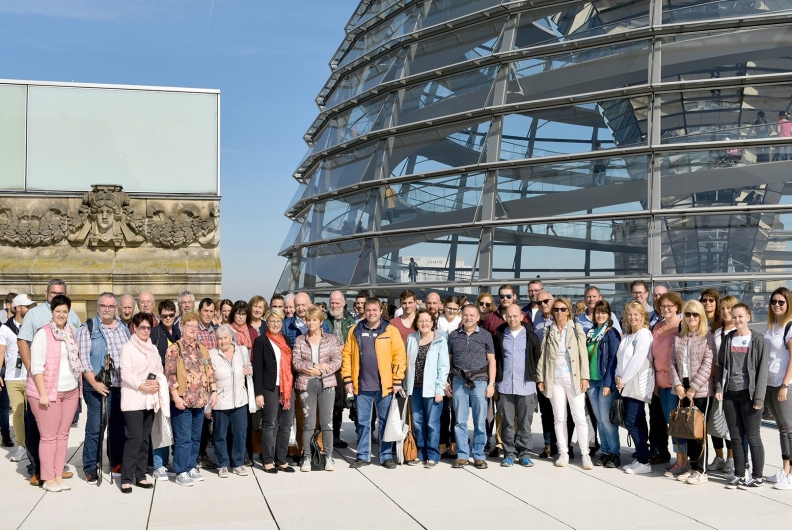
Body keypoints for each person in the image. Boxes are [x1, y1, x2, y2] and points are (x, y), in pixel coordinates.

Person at [17, 279, 82, 486]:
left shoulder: (70, 331)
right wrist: (43, 392)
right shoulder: (43, 333)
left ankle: (57, 473)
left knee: (62, 435)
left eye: (65, 311)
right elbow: (36, 366)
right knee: (48, 436)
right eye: (58, 311)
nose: (62, 315)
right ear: (51, 309)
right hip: (48, 392)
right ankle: (46, 477)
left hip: (69, 391)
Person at [342, 297, 406, 469]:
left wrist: (397, 379)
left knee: (385, 422)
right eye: (368, 310)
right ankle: (363, 455)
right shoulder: (355, 330)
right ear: (364, 310)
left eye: (374, 310)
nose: (371, 313)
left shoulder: (390, 331)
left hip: (384, 385)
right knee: (363, 422)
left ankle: (385, 456)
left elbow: (399, 356)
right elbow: (347, 355)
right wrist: (347, 378)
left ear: (380, 311)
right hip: (361, 385)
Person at [77, 292, 131, 485]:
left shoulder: (124, 328)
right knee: (96, 428)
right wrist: (94, 383)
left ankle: (116, 463)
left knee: (118, 428)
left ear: (115, 308)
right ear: (98, 307)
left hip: (119, 387)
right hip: (97, 387)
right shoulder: (88, 328)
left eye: (111, 306)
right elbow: (82, 360)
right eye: (103, 306)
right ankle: (91, 467)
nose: (107, 309)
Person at [537, 297, 591, 469]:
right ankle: (563, 453)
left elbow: (583, 354)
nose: (559, 312)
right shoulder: (549, 330)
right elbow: (543, 356)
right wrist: (541, 378)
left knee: (579, 418)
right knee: (559, 418)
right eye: (556, 309)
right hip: (555, 380)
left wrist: (585, 377)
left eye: (562, 309)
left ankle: (585, 454)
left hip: (573, 379)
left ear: (568, 311)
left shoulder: (576, 329)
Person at [165, 311, 218, 487]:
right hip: (183, 402)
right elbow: (170, 375)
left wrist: (214, 391)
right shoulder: (174, 349)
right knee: (183, 438)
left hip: (200, 401)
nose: (193, 329)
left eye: (196, 327)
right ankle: (181, 471)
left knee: (196, 437)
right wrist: (175, 397)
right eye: (190, 326)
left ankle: (190, 466)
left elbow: (210, 372)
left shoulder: (202, 349)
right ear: (182, 327)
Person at [719, 303, 767, 489]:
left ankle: (757, 476)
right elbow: (722, 366)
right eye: (734, 316)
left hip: (750, 394)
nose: (737, 320)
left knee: (753, 436)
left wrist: (759, 398)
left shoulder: (757, 339)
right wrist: (718, 388)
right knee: (736, 436)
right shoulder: (728, 339)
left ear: (749, 316)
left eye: (741, 316)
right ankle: (739, 474)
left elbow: (762, 371)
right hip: (730, 394)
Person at [669, 300, 715, 484]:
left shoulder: (707, 337)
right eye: (688, 314)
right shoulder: (678, 337)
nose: (691, 317)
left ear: (701, 316)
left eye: (695, 314)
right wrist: (678, 385)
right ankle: (692, 467)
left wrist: (693, 387)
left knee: (699, 432)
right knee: (688, 431)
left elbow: (708, 364)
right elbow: (672, 362)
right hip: (682, 388)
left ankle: (701, 471)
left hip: (700, 390)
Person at [446, 304, 495, 469]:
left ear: (478, 317)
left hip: (480, 381)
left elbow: (492, 361)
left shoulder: (486, 335)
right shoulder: (453, 336)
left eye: (472, 315)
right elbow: (449, 360)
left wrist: (491, 384)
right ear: (462, 316)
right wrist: (447, 381)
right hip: (459, 381)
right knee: (460, 420)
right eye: (466, 315)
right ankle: (462, 455)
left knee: (480, 421)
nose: (468, 318)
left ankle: (479, 455)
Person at [293, 307, 341, 472]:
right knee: (309, 424)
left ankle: (328, 456)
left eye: (314, 319)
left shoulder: (331, 339)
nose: (311, 323)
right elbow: (296, 362)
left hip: (326, 384)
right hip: (307, 384)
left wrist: (320, 371)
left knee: (327, 423)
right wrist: (313, 366)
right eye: (308, 319)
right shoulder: (300, 340)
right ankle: (307, 457)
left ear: (321, 321)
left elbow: (337, 360)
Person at [493, 304, 541, 468]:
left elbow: (536, 358)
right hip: (505, 386)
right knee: (507, 422)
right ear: (505, 317)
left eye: (515, 316)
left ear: (521, 317)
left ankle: (524, 453)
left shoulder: (531, 336)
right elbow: (496, 359)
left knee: (525, 422)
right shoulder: (499, 334)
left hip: (525, 385)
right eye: (509, 316)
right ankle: (509, 453)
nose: (512, 319)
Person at [119, 313, 162, 493]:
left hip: (149, 400)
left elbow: (159, 370)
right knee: (134, 439)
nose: (145, 330)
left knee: (145, 440)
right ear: (134, 328)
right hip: (133, 399)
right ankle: (126, 478)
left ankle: (141, 475)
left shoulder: (153, 348)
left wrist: (156, 383)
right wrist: (143, 385)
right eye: (142, 327)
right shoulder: (128, 348)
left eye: (148, 327)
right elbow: (126, 373)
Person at [405, 308, 449, 467]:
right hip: (415, 388)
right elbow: (407, 363)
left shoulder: (440, 340)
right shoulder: (411, 338)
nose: (424, 323)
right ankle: (420, 452)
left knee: (432, 423)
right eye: (421, 320)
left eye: (427, 321)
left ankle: (433, 454)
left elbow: (443, 367)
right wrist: (405, 386)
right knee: (417, 422)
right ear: (416, 322)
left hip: (432, 390)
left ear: (432, 323)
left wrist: (440, 389)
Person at [253, 309, 295, 473]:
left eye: (278, 321)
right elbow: (258, 369)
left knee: (285, 425)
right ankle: (268, 460)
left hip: (287, 388)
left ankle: (281, 459)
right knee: (270, 424)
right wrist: (259, 393)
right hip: (270, 387)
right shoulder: (261, 341)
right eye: (272, 321)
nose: (276, 324)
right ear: (267, 323)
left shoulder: (284, 340)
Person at [207, 325, 251, 478]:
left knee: (240, 433)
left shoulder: (242, 351)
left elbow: (248, 367)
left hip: (240, 399)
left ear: (231, 338)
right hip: (221, 401)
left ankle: (238, 463)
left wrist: (249, 369)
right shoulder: (212, 354)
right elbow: (208, 377)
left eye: (226, 337)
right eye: (220, 338)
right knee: (220, 434)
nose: (223, 341)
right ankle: (222, 464)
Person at [615, 301, 654, 475]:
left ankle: (644, 461)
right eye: (629, 314)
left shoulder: (644, 334)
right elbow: (620, 359)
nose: (632, 317)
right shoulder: (628, 336)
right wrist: (617, 375)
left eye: (636, 314)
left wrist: (622, 380)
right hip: (625, 383)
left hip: (636, 383)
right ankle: (640, 458)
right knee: (638, 422)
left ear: (643, 315)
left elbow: (637, 361)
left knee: (631, 421)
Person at [651, 292, 684, 475]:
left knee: (677, 424)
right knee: (668, 423)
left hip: (676, 383)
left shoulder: (682, 325)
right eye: (663, 306)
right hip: (660, 382)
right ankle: (677, 459)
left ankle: (682, 461)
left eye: (669, 306)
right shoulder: (657, 326)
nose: (666, 309)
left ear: (677, 307)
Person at [585, 300, 622, 468]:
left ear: (609, 315)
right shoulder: (591, 332)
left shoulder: (611, 333)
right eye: (597, 312)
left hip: (605, 382)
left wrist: (608, 383)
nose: (600, 315)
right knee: (599, 419)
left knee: (607, 420)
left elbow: (614, 359)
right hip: (592, 381)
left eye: (603, 312)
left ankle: (614, 453)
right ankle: (605, 451)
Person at [763, 288, 792, 489]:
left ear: (788, 303)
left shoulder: (789, 327)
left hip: (784, 384)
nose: (777, 305)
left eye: (781, 302)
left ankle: (791, 474)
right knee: (782, 427)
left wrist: (785, 384)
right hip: (770, 383)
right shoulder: (772, 325)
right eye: (774, 302)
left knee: (790, 428)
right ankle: (785, 470)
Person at [707, 295, 738, 477]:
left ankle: (731, 459)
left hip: (731, 382)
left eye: (729, 308)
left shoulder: (738, 331)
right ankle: (718, 457)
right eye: (723, 309)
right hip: (715, 381)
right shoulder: (717, 331)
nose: (726, 312)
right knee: (715, 421)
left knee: (730, 422)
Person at [1, 294, 34, 462]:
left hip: (31, 376)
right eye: (27, 306)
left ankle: (34, 444)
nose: (29, 309)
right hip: (12, 377)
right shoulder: (5, 329)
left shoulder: (34, 326)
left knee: (34, 413)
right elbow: (1, 352)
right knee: (18, 413)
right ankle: (21, 446)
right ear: (18, 308)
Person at [150, 299, 181, 480]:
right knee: (159, 426)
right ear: (160, 316)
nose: (168, 317)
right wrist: (151, 384)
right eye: (164, 315)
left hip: (175, 386)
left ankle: (165, 459)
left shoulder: (177, 332)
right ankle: (157, 464)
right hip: (160, 386)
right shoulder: (155, 333)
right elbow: (150, 362)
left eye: (171, 314)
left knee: (170, 426)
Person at [326, 291, 356, 448]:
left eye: (337, 303)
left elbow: (353, 343)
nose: (334, 305)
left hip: (343, 367)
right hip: (326, 366)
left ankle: (335, 436)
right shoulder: (324, 320)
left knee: (339, 403)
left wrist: (342, 348)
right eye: (332, 302)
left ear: (344, 303)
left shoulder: (352, 322)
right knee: (326, 404)